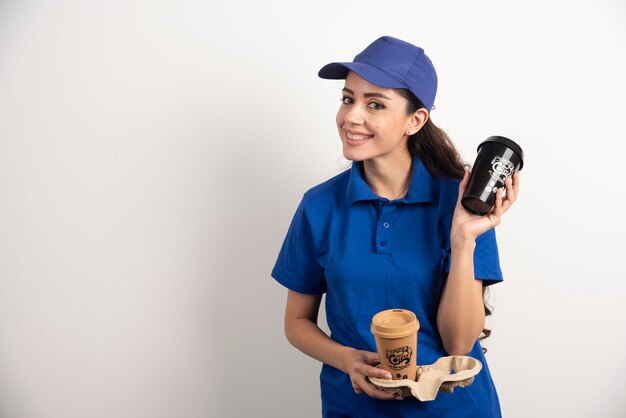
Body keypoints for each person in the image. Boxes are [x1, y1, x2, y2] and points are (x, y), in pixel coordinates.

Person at [271, 36, 520, 418]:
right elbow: (296, 322)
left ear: (415, 120)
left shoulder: (461, 202)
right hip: (354, 409)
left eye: (375, 104)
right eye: (348, 98)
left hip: (454, 411)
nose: (352, 116)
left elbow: (458, 342)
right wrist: (347, 359)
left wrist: (464, 238)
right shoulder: (319, 206)